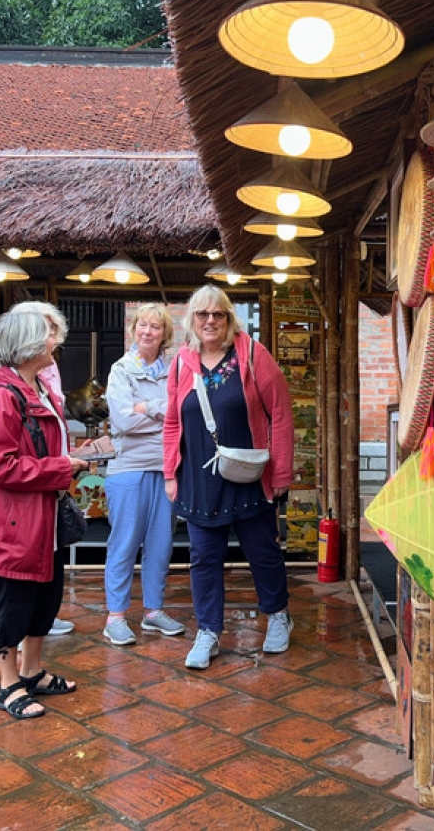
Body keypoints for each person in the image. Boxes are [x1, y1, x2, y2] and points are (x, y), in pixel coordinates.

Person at [0, 302, 89, 719]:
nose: (56, 340)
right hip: (14, 520)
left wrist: (74, 456)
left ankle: (32, 671)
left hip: (43, 515)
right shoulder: (1, 395)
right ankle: (7, 683)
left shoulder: (39, 388)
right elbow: (0, 466)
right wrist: (61, 468)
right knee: (13, 599)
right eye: (48, 334)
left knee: (45, 596)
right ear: (29, 342)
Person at [163, 285, 294, 670]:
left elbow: (281, 415)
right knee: (204, 558)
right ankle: (208, 631)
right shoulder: (181, 364)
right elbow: (172, 422)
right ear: (192, 320)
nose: (209, 322)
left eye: (217, 314)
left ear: (229, 318)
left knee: (263, 553)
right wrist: (170, 472)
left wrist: (282, 471)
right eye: (202, 315)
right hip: (199, 480)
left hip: (250, 475)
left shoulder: (254, 355)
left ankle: (278, 615)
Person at [102, 303, 184, 645]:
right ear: (133, 328)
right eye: (143, 325)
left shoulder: (175, 370)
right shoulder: (121, 370)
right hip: (129, 469)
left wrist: (146, 408)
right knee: (123, 544)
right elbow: (122, 421)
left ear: (165, 334)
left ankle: (153, 612)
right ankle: (115, 617)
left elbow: (182, 414)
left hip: (167, 469)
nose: (147, 332)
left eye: (155, 326)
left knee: (161, 545)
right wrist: (162, 417)